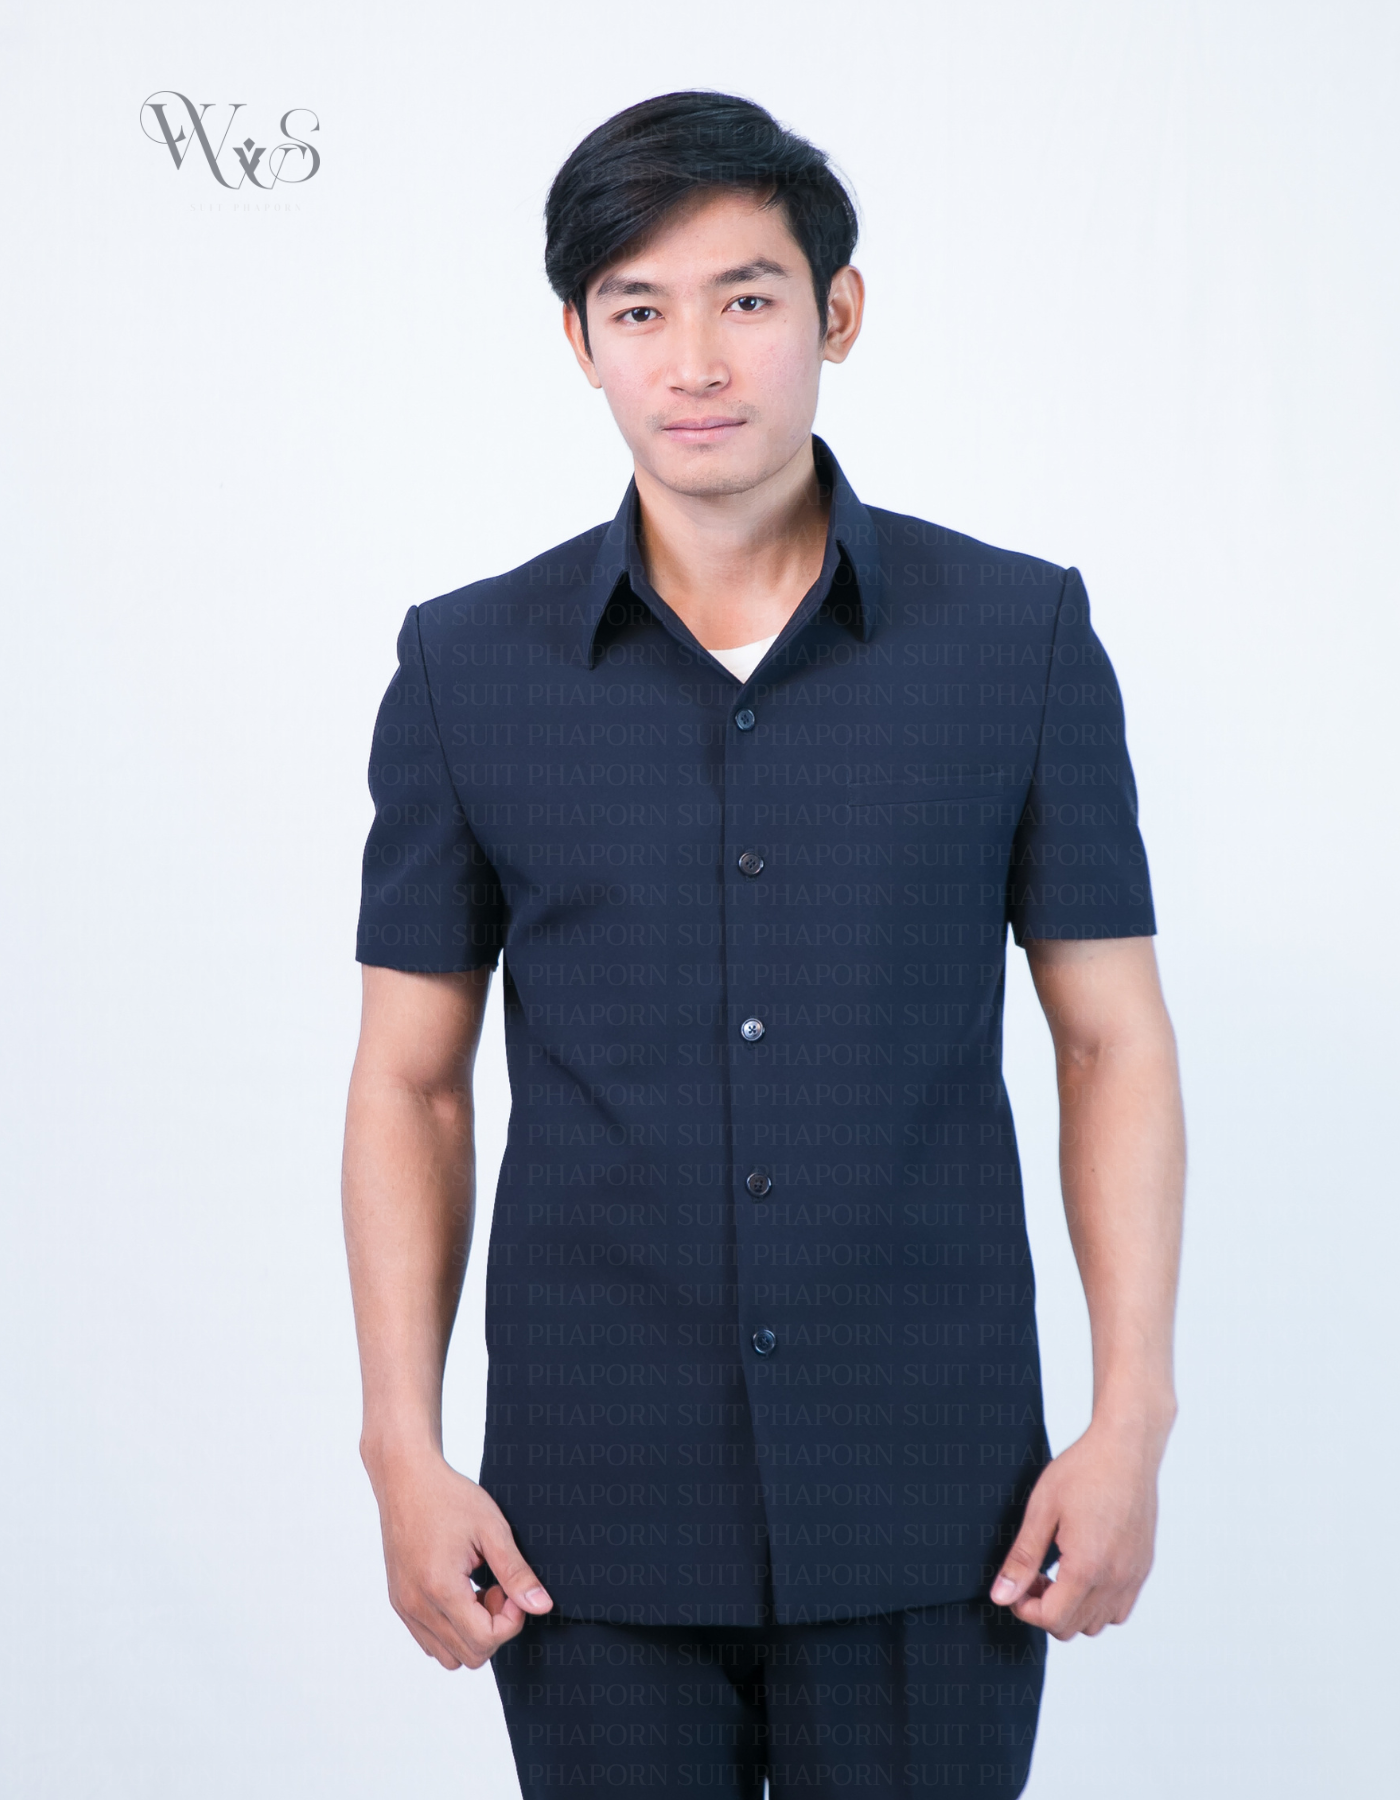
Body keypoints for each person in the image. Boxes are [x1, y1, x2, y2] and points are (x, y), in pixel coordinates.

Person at [342, 90, 1185, 1800]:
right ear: (580, 342)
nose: (697, 360)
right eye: (640, 310)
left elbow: (1111, 1039)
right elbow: (410, 1085)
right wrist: (401, 1452)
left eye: (747, 297)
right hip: (588, 1515)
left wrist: (1130, 1420)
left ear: (837, 311)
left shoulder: (1015, 638)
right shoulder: (466, 669)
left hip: (941, 1500)